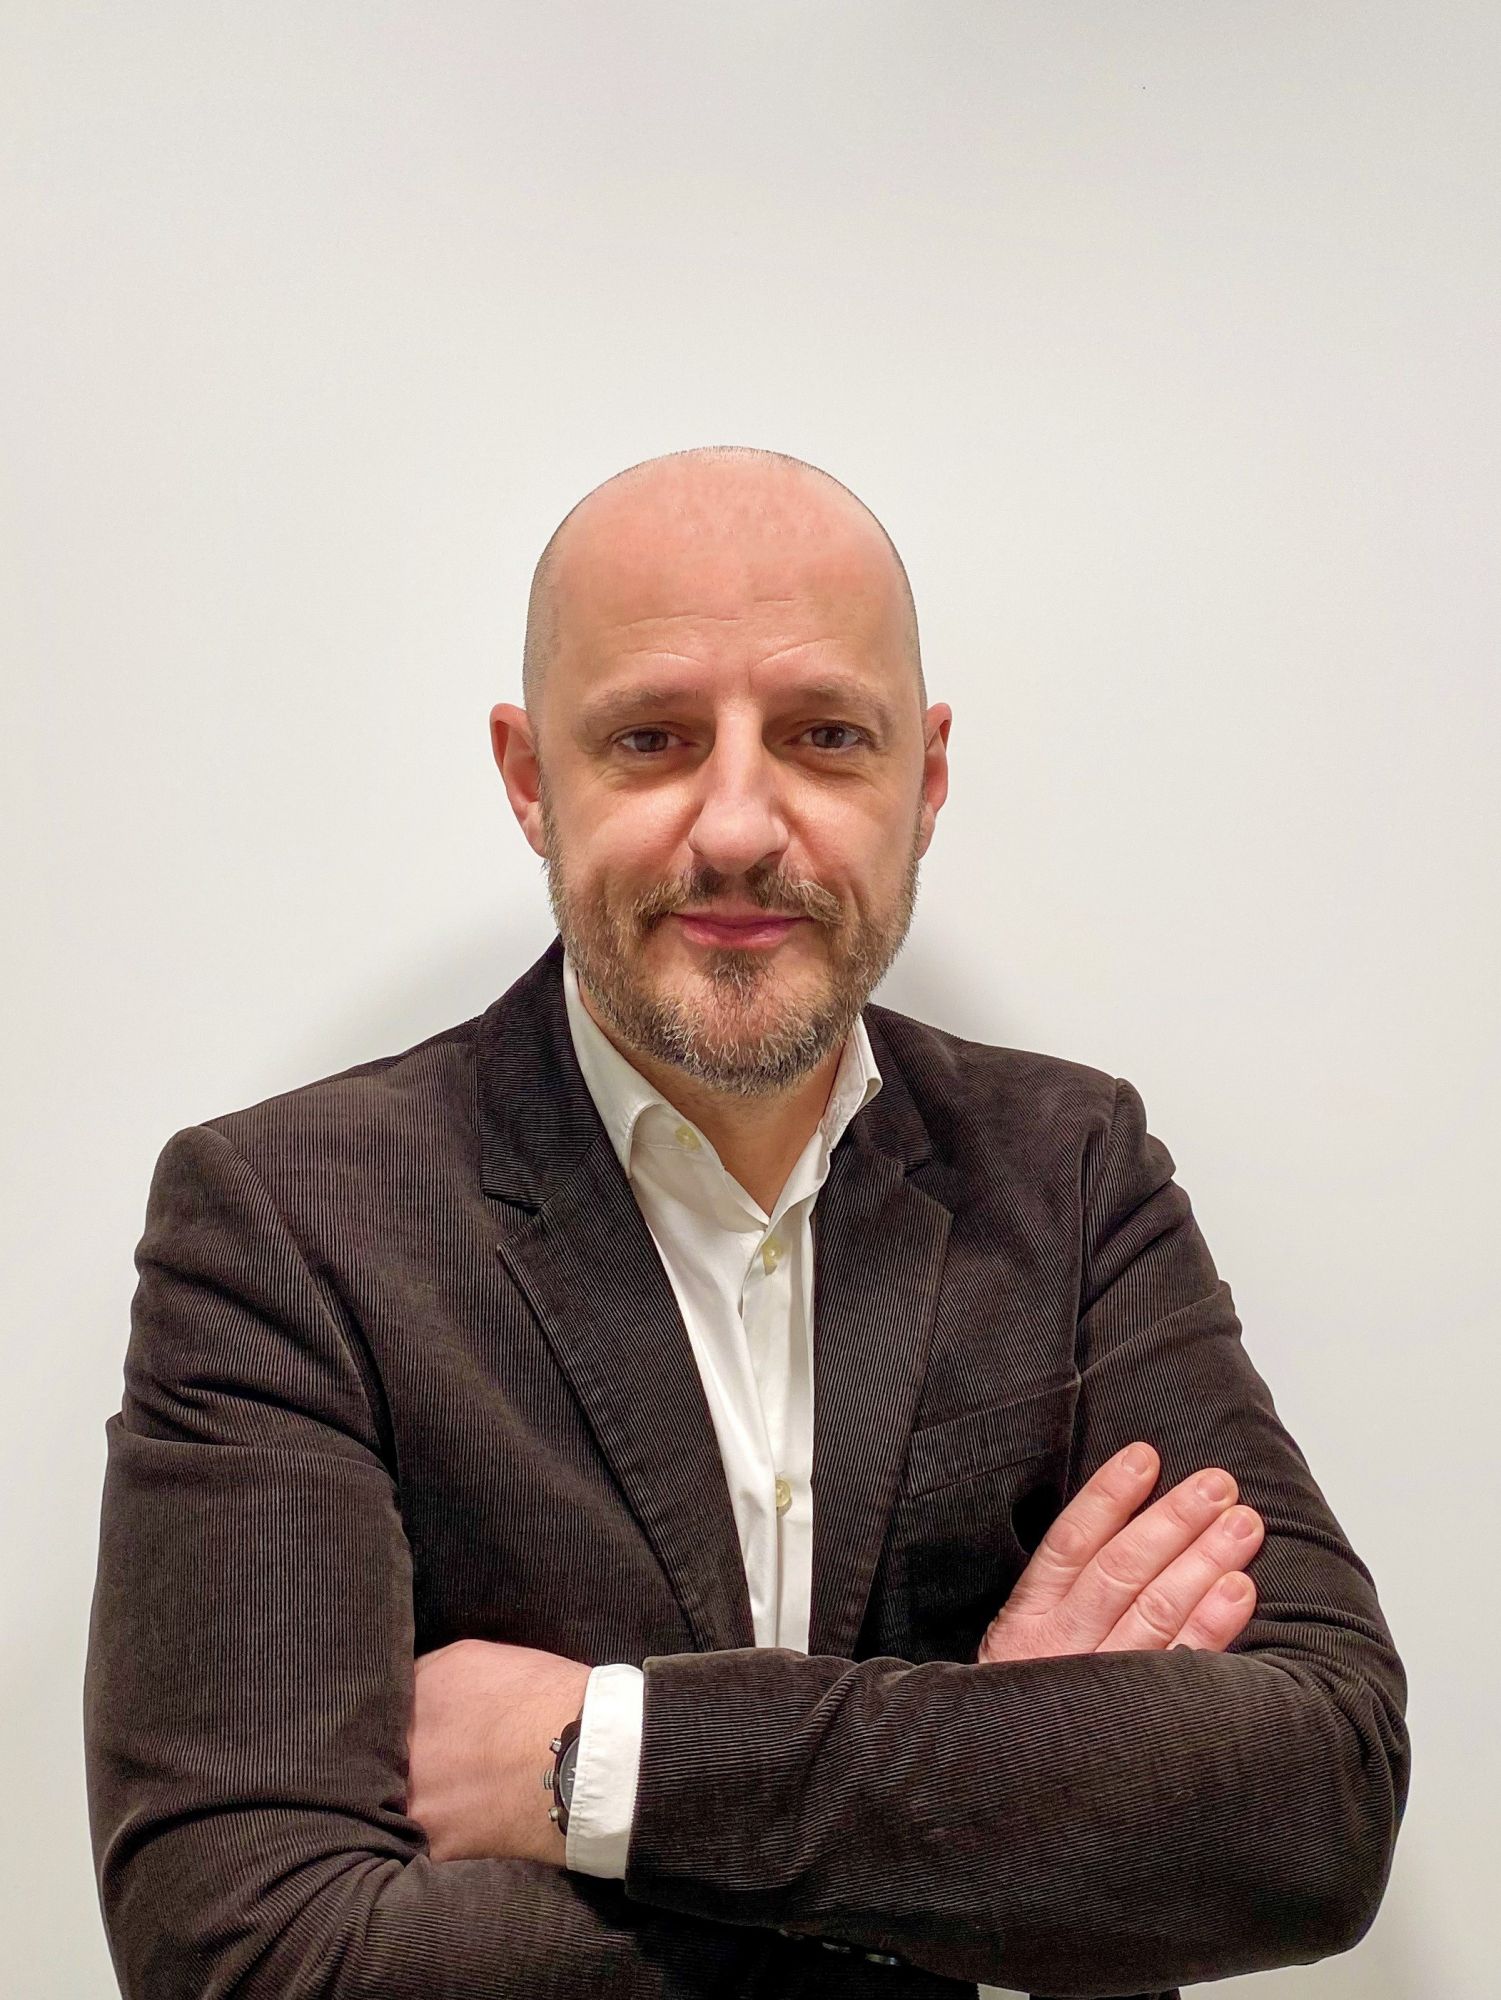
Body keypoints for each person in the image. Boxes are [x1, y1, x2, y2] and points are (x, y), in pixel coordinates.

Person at [83, 445, 1409, 2000]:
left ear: (923, 779)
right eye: (649, 739)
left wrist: (603, 1761)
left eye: (822, 736)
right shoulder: (286, 1224)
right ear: (530, 778)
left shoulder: (1066, 1169)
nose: (733, 826)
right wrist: (991, 1820)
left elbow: (1317, 1804)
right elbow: (247, 1958)